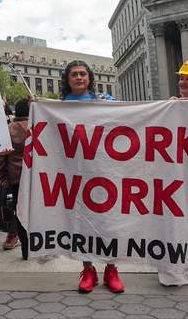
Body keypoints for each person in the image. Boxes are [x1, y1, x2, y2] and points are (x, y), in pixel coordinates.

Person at [61, 61, 125, 294]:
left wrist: (166, 107)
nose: (79, 78)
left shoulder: (104, 102)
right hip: (73, 172)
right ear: (67, 79)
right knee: (80, 223)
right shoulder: (59, 107)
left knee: (108, 221)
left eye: (83, 74)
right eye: (74, 74)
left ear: (90, 78)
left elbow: (132, 116)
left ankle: (111, 269)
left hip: (102, 170)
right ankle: (88, 270)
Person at [0, 99, 30, 255]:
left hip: (16, 178)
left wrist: (2, 178)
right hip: (36, 177)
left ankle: (24, 247)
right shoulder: (37, 128)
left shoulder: (8, 129)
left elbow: (1, 157)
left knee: (19, 210)